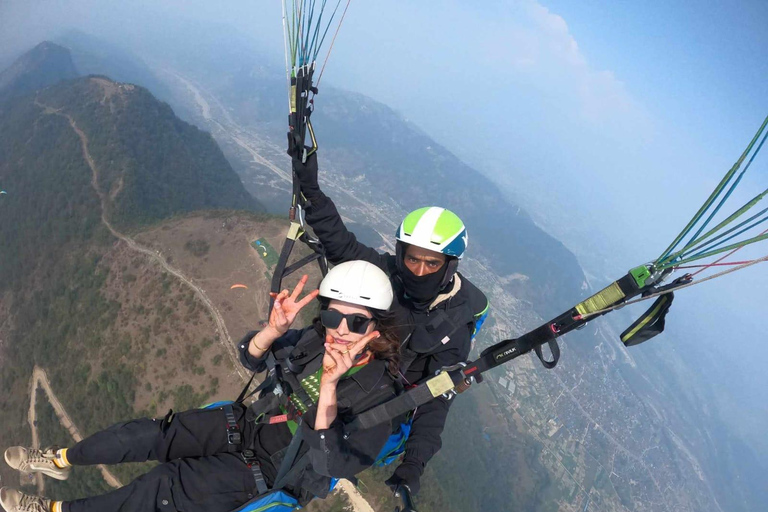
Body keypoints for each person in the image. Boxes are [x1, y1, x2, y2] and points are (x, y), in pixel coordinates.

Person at [1, 261, 400, 512]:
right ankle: (60, 460)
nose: (341, 331)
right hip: (246, 423)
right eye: (333, 317)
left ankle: (52, 509)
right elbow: (250, 357)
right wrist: (272, 332)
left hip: (272, 468)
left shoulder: (381, 394)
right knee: (147, 435)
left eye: (357, 322)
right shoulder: (314, 340)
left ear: (377, 326)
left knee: (162, 487)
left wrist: (329, 386)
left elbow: (333, 465)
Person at [292, 151, 490, 496]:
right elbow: (340, 244)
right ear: (401, 254)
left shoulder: (455, 325)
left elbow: (435, 398)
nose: (419, 271)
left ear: (450, 266)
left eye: (432, 263)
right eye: (412, 259)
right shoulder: (388, 273)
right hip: (349, 367)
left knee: (309, 472)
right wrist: (311, 189)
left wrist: (413, 464)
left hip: (378, 404)